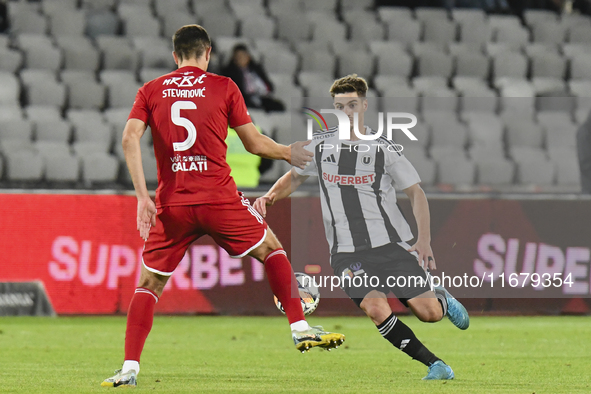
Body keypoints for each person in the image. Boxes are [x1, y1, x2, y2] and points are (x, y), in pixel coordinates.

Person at [101, 25, 344, 388]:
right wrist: (288, 152)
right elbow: (255, 144)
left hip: (173, 204)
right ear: (208, 53)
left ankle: (129, 369)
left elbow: (128, 137)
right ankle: (300, 328)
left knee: (149, 283)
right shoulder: (224, 86)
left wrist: (142, 197)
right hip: (218, 198)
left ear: (175, 56)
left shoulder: (150, 91)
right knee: (271, 249)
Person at [254, 74, 470, 381]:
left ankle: (442, 300)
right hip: (345, 253)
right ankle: (436, 365)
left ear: (364, 106)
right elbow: (294, 177)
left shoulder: (384, 149)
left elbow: (415, 192)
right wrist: (269, 197)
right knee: (375, 308)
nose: (346, 111)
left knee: (429, 314)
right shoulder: (321, 146)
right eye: (340, 106)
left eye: (352, 104)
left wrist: (423, 239)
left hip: (390, 246)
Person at [221, 43, 285, 112]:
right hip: (246, 98)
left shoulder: (256, 69)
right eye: (237, 56)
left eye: (242, 56)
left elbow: (268, 84)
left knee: (279, 107)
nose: (240, 59)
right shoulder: (229, 72)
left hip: (262, 96)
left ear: (248, 57)